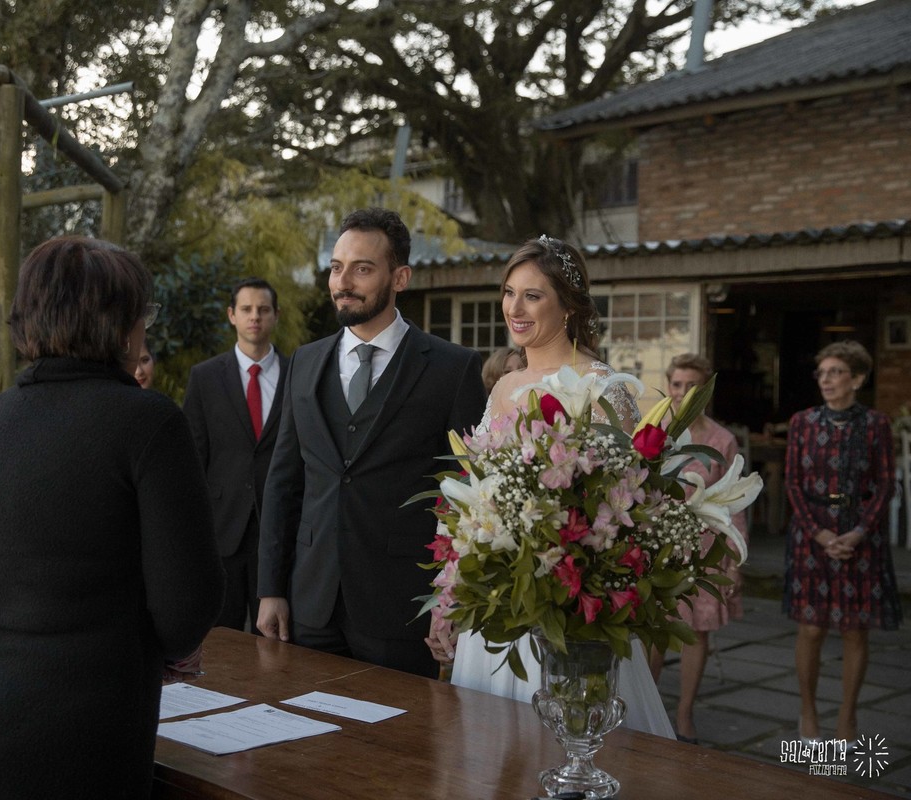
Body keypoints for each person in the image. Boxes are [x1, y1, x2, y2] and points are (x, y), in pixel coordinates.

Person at [0, 236, 224, 799]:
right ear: (120, 324)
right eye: (142, 315)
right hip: (76, 729)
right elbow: (189, 604)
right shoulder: (148, 422)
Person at [431, 234, 674, 738]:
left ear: (568, 306)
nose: (513, 309)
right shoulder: (504, 386)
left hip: (566, 605)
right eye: (508, 292)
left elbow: (629, 501)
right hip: (501, 599)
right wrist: (451, 595)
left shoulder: (609, 388)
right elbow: (475, 497)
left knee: (573, 736)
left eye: (532, 296)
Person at [255, 207, 487, 679]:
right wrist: (270, 588)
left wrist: (456, 601)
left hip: (401, 606)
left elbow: (471, 497)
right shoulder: (304, 361)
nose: (343, 282)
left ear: (399, 277)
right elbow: (283, 482)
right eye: (337, 267)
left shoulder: (452, 369)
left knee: (395, 748)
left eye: (362, 268)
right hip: (309, 601)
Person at [783, 339, 900, 743]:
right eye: (822, 372)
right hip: (812, 533)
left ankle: (847, 717)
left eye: (836, 372)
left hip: (859, 536)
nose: (826, 380)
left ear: (858, 379)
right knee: (812, 629)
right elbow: (792, 483)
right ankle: (807, 712)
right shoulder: (802, 422)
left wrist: (858, 531)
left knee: (854, 630)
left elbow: (886, 485)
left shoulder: (877, 424)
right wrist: (819, 532)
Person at [646, 353, 747, 744]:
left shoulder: (722, 439)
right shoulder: (656, 432)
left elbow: (732, 505)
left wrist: (734, 563)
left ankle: (685, 713)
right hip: (659, 545)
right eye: (676, 385)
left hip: (704, 548)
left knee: (696, 633)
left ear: (704, 391)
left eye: (692, 386)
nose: (683, 393)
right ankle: (649, 706)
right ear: (668, 387)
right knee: (653, 630)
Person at [183, 277, 288, 633]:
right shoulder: (205, 377)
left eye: (263, 309)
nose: (254, 317)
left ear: (275, 315)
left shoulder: (299, 375)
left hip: (279, 531)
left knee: (275, 639)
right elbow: (193, 458)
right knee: (219, 638)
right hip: (222, 529)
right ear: (232, 315)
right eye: (246, 309)